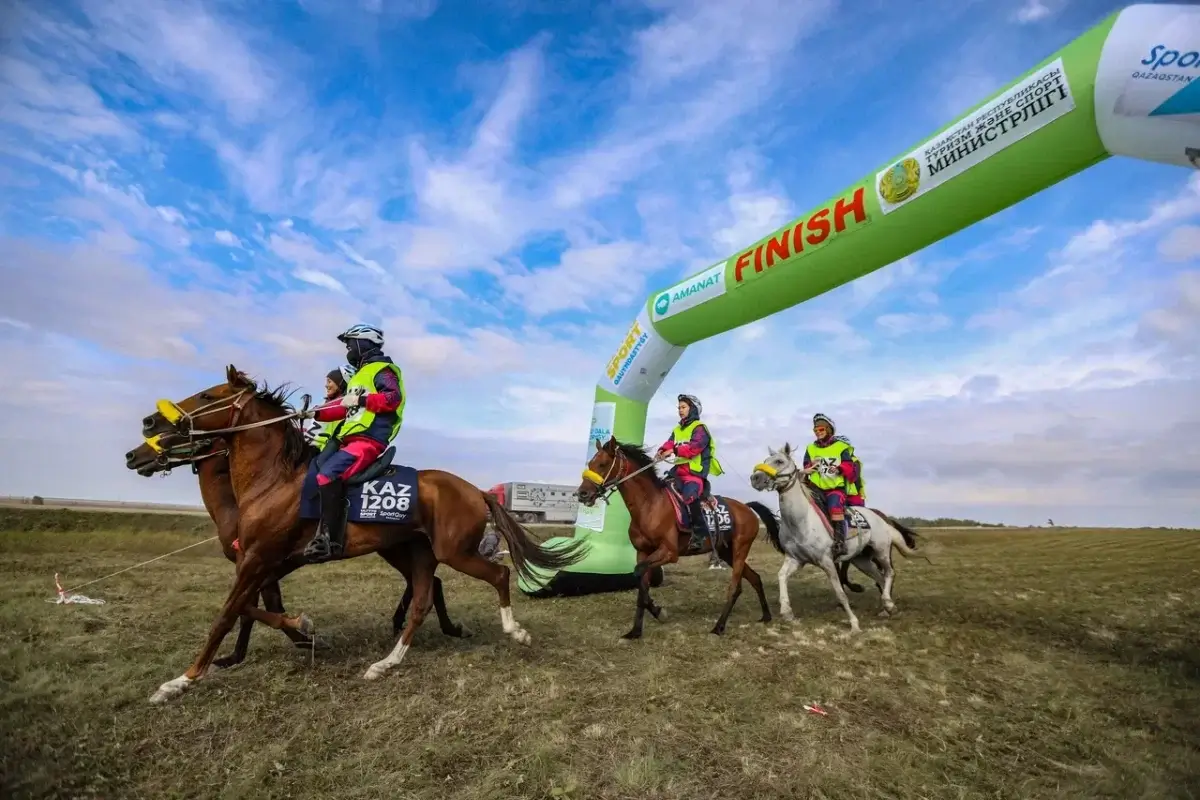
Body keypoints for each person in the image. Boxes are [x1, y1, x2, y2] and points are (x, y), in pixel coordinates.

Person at [300, 324, 406, 561]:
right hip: (349, 440)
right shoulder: (360, 374)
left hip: (369, 439)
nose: (348, 348)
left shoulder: (384, 369)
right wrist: (315, 414)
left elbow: (392, 398)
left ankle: (330, 541)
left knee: (328, 475)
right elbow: (341, 408)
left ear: (363, 343)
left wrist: (361, 398)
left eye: (350, 343)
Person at [654, 394, 724, 555]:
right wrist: (662, 450)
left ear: (692, 409)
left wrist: (674, 450)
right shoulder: (677, 429)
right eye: (679, 407)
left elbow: (694, 448)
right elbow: (669, 443)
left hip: (694, 475)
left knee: (689, 499)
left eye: (683, 407)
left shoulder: (700, 428)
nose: (680, 410)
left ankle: (700, 534)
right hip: (677, 473)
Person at [802, 413, 856, 559]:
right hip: (816, 487)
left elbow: (850, 466)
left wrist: (839, 469)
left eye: (821, 429)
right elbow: (806, 463)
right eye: (815, 431)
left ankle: (839, 542)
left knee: (834, 508)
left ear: (828, 429)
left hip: (835, 488)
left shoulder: (841, 447)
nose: (818, 433)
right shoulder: (810, 448)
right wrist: (807, 468)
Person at [306, 364, 357, 453]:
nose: (326, 385)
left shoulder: (344, 404)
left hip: (319, 452)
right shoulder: (325, 403)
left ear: (340, 383)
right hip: (307, 446)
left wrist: (315, 413)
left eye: (329, 382)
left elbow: (337, 411)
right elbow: (313, 430)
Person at [834, 434, 866, 508]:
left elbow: (853, 477)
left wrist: (841, 469)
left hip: (853, 497)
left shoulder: (854, 461)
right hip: (838, 494)